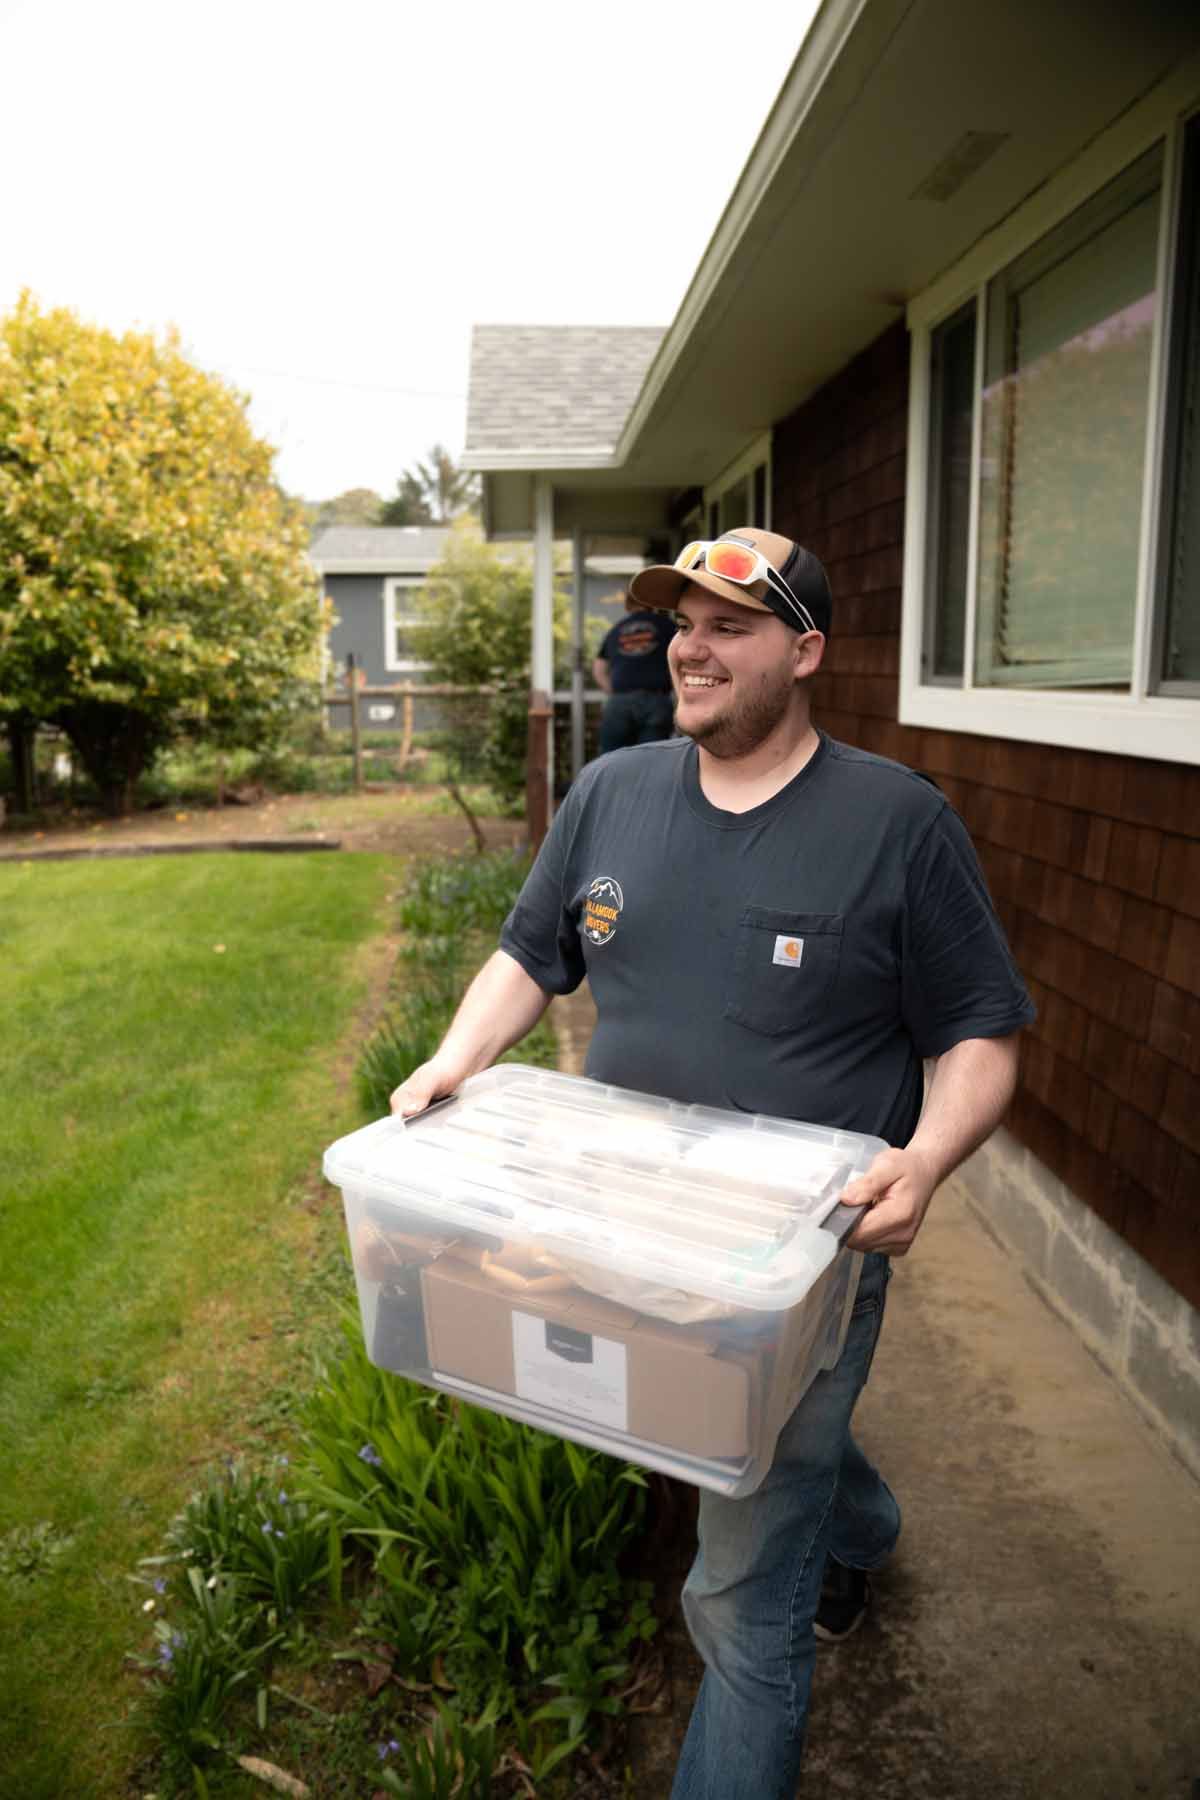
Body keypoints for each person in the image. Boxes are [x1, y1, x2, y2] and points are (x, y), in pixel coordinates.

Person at [391, 526, 1035, 1798]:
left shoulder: (897, 822)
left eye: (729, 624)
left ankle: (800, 1551)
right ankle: (861, 1522)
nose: (689, 645)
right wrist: (456, 1059)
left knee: (740, 1597)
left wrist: (927, 1159)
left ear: (804, 652)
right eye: (682, 621)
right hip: (629, 1226)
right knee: (750, 1435)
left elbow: (980, 1033)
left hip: (802, 1256)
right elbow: (534, 952)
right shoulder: (611, 795)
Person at [592, 588, 677, 751]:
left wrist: (614, 692)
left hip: (620, 701)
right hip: (656, 700)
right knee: (650, 760)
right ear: (653, 604)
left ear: (627, 605)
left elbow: (598, 669)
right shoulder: (667, 626)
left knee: (612, 761)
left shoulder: (615, 630)